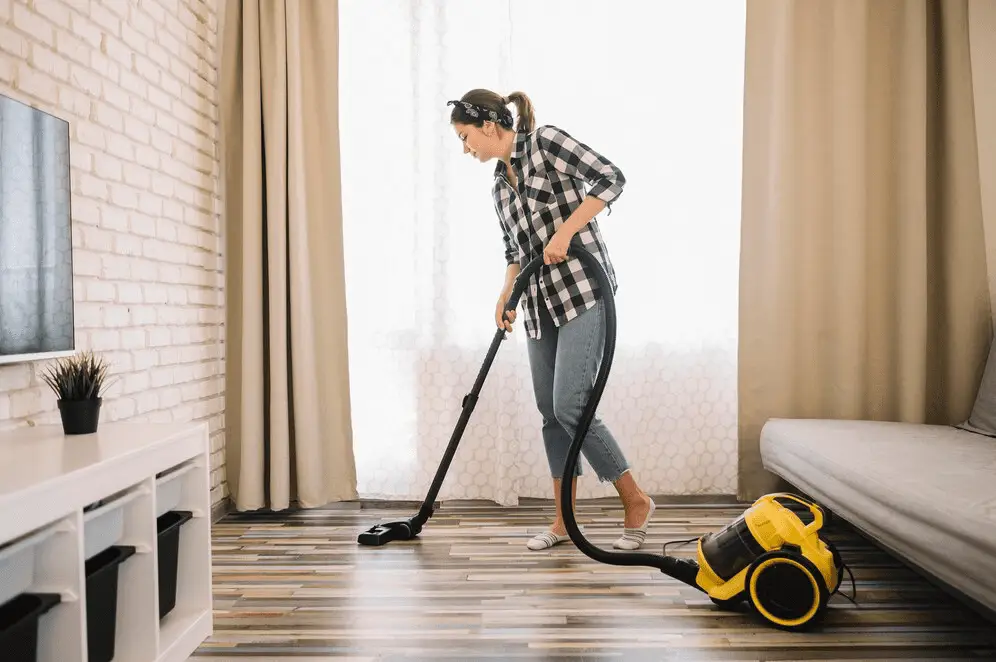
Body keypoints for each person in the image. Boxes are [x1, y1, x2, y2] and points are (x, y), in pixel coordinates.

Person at [448, 89, 656, 551]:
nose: (466, 149)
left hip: (583, 292)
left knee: (570, 405)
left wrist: (566, 231)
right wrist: (506, 293)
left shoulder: (546, 143)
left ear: (488, 126)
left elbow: (610, 177)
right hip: (539, 305)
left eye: (465, 138)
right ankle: (564, 522)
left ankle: (635, 499)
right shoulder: (499, 187)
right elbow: (515, 251)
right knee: (550, 416)